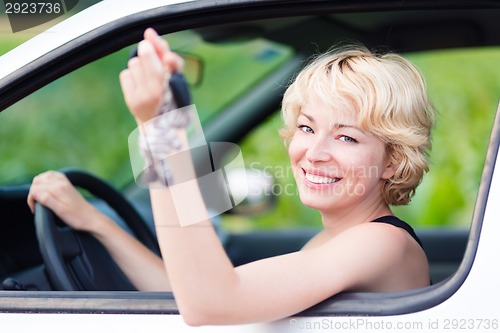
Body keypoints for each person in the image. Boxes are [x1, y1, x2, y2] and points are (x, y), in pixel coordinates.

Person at [27, 28, 433, 325]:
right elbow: (187, 291)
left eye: (346, 136)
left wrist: (162, 129)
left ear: (393, 161)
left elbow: (211, 302)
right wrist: (94, 223)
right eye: (307, 128)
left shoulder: (381, 244)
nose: (315, 151)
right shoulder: (332, 241)